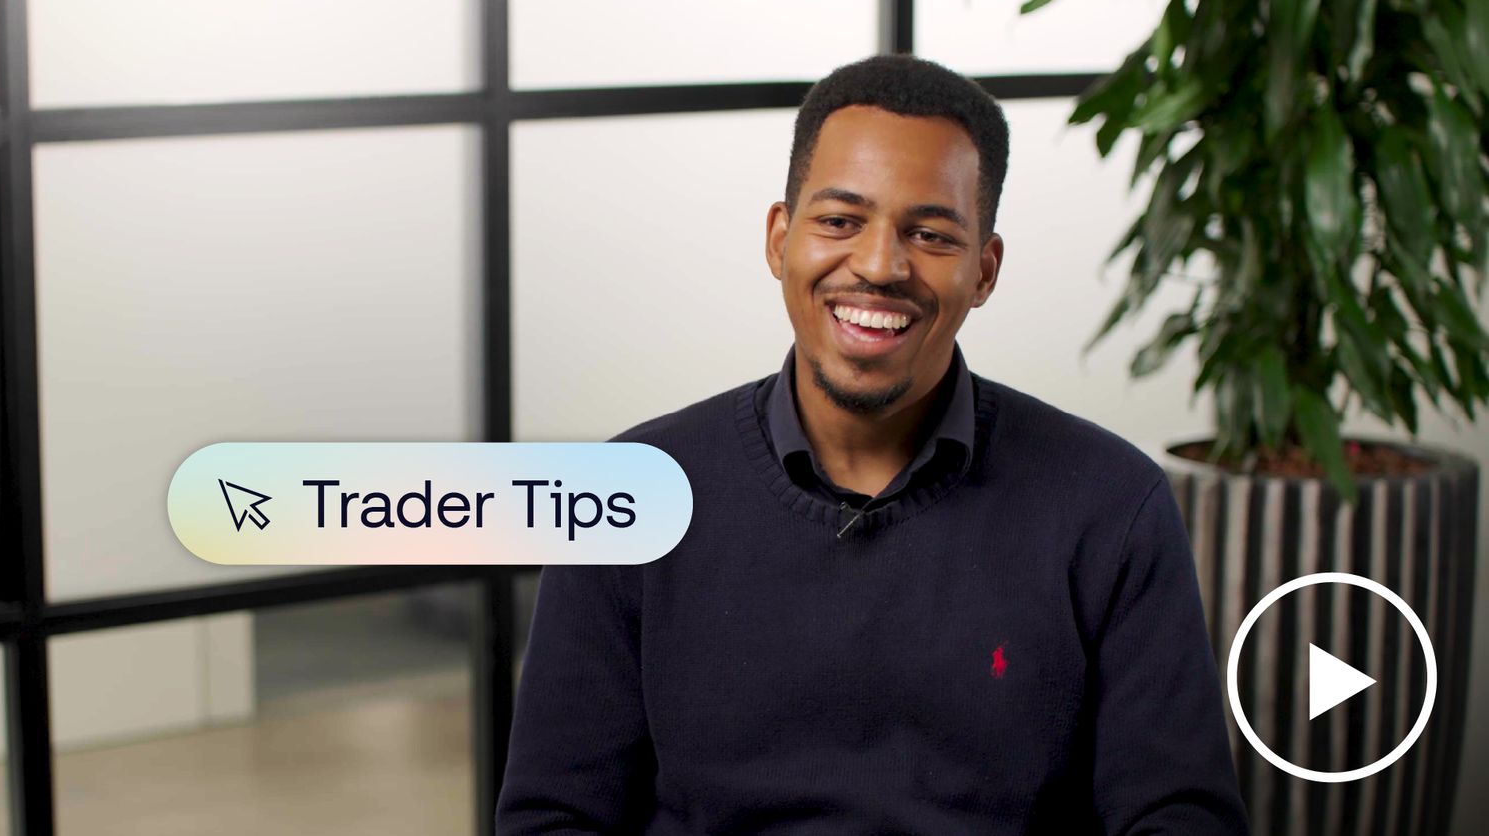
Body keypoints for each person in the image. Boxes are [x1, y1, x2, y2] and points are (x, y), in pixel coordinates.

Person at [496, 53, 1248, 835]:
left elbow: (1179, 818)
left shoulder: (1111, 504)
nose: (880, 266)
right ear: (779, 240)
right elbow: (553, 818)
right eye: (839, 222)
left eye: (929, 233)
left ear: (985, 270)